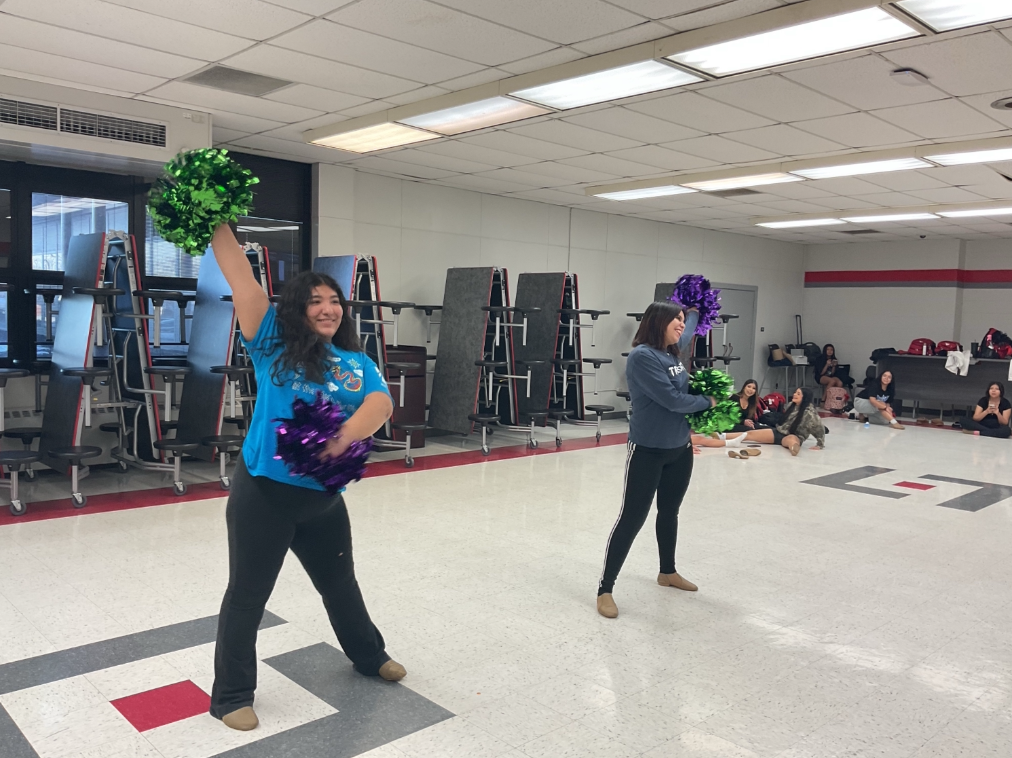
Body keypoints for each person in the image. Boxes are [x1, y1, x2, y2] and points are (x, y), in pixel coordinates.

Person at [208, 224, 403, 732]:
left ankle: (368, 655)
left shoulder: (357, 363)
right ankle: (231, 696)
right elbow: (241, 277)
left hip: (324, 500)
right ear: (297, 309)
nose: (327, 308)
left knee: (341, 585)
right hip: (265, 496)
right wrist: (215, 219)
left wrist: (343, 436)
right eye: (315, 301)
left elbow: (381, 404)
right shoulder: (271, 342)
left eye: (334, 300)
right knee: (248, 595)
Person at [597, 301, 715, 619]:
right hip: (648, 450)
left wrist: (691, 314)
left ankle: (667, 572)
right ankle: (605, 589)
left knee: (669, 512)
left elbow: (688, 334)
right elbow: (672, 400)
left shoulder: (670, 352)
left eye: (680, 320)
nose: (680, 326)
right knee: (632, 519)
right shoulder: (642, 357)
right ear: (657, 322)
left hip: (680, 449)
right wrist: (710, 400)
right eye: (674, 320)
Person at [693, 387, 825, 456]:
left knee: (791, 439)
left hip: (793, 435)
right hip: (779, 431)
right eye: (795, 392)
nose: (795, 395)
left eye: (798, 394)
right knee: (750, 434)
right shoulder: (792, 405)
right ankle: (721, 436)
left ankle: (793, 448)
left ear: (805, 397)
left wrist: (820, 443)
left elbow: (819, 427)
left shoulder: (809, 412)